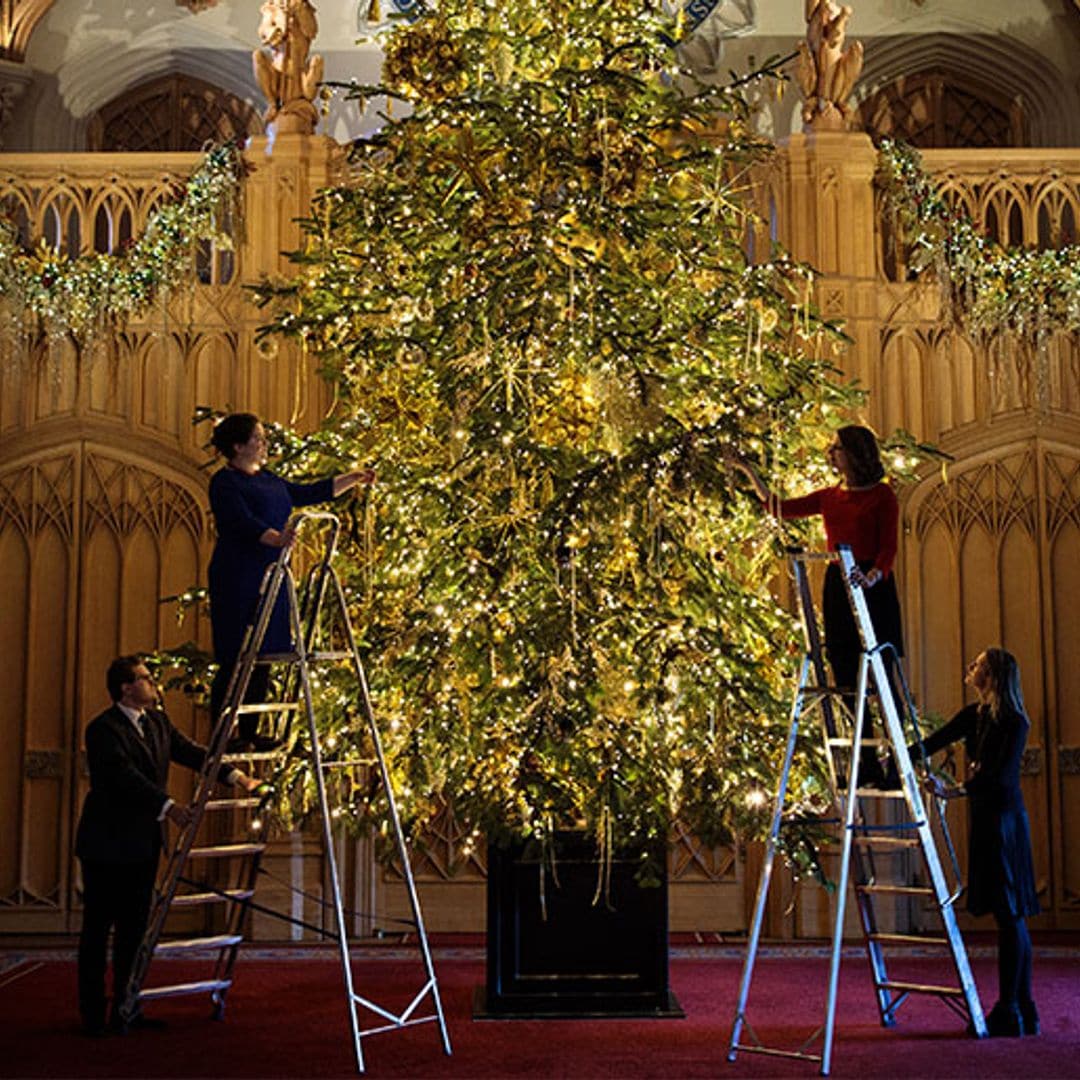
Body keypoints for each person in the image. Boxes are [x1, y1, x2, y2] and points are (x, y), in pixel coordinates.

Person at [76, 656, 262, 1037]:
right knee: (98, 930)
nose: (153, 683)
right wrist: (169, 807)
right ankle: (94, 1016)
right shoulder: (103, 729)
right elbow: (122, 777)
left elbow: (192, 753)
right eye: (145, 678)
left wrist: (237, 776)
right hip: (106, 844)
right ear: (126, 688)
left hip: (144, 843)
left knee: (135, 930)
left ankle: (128, 1008)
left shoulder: (158, 722)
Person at [729, 425, 904, 786]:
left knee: (882, 675)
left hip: (872, 586)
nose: (832, 453)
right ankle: (866, 761)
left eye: (838, 447)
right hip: (838, 585)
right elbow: (779, 508)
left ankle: (896, 765)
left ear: (855, 453)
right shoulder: (829, 497)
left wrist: (873, 575)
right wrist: (749, 471)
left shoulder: (882, 496)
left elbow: (888, 547)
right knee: (843, 672)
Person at [207, 413, 375, 750]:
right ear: (238, 446)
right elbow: (240, 521)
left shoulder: (268, 478)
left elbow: (307, 493)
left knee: (266, 653)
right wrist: (276, 538)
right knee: (237, 655)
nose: (264, 444)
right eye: (258, 438)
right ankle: (224, 736)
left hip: (274, 572)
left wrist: (353, 478)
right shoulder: (225, 483)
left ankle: (251, 733)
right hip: (240, 573)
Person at [915, 648, 1040, 1038]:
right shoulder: (976, 715)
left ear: (995, 675)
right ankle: (1023, 1009)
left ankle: (1010, 1008)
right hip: (988, 819)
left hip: (1005, 823)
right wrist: (896, 760)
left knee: (1011, 915)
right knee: (1010, 916)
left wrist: (953, 792)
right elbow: (936, 741)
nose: (972, 668)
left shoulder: (1015, 722)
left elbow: (1000, 778)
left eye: (980, 665)